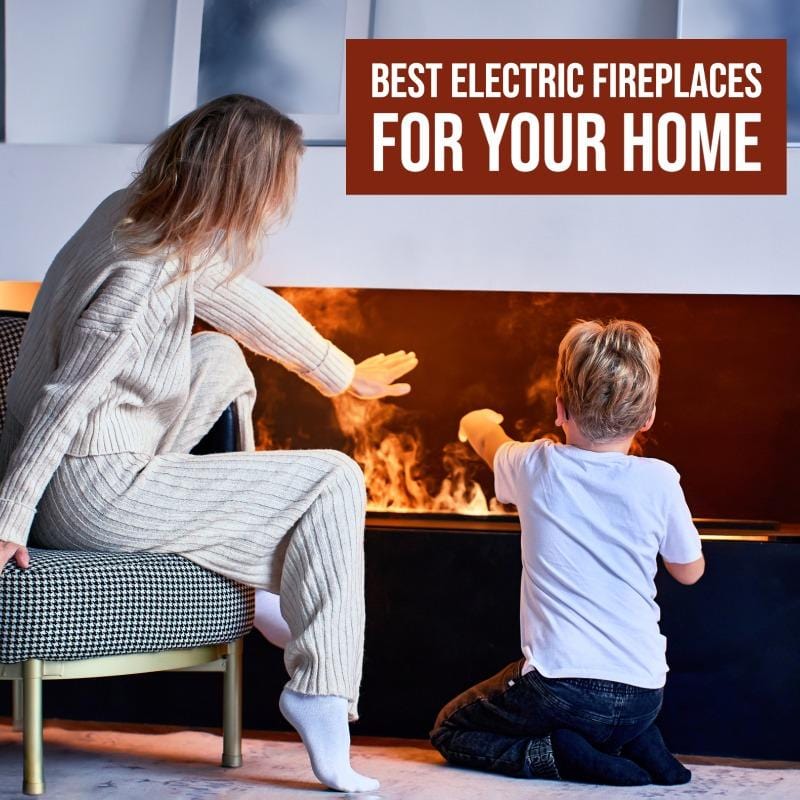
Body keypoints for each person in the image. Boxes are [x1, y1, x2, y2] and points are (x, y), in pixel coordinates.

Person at [0, 94, 418, 793]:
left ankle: (255, 564)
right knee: (335, 477)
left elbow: (236, 299)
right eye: (275, 184)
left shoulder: (134, 214)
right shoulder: (140, 276)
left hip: (109, 450)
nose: (276, 204)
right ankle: (319, 693)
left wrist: (343, 375)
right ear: (242, 183)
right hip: (92, 488)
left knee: (221, 356)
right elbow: (63, 400)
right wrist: (10, 516)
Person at [431, 319, 704, 786]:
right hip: (645, 692)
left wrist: (474, 420)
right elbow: (689, 572)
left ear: (560, 409)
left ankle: (558, 756)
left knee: (450, 729)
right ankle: (641, 742)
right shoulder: (660, 478)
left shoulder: (536, 464)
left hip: (560, 689)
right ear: (648, 417)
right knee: (613, 714)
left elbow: (486, 440)